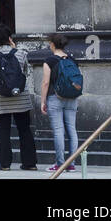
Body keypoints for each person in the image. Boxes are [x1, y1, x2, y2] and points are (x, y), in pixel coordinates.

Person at [0, 23, 38, 171]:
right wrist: (14, 49)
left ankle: (5, 164)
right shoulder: (20, 54)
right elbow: (25, 73)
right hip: (20, 98)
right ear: (9, 38)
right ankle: (29, 163)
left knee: (4, 132)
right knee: (24, 130)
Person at [40, 33, 82, 172]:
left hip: (55, 98)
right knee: (72, 130)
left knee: (59, 131)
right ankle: (71, 164)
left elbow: (46, 83)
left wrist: (43, 101)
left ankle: (60, 164)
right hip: (72, 98)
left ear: (52, 44)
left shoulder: (50, 61)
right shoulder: (72, 60)